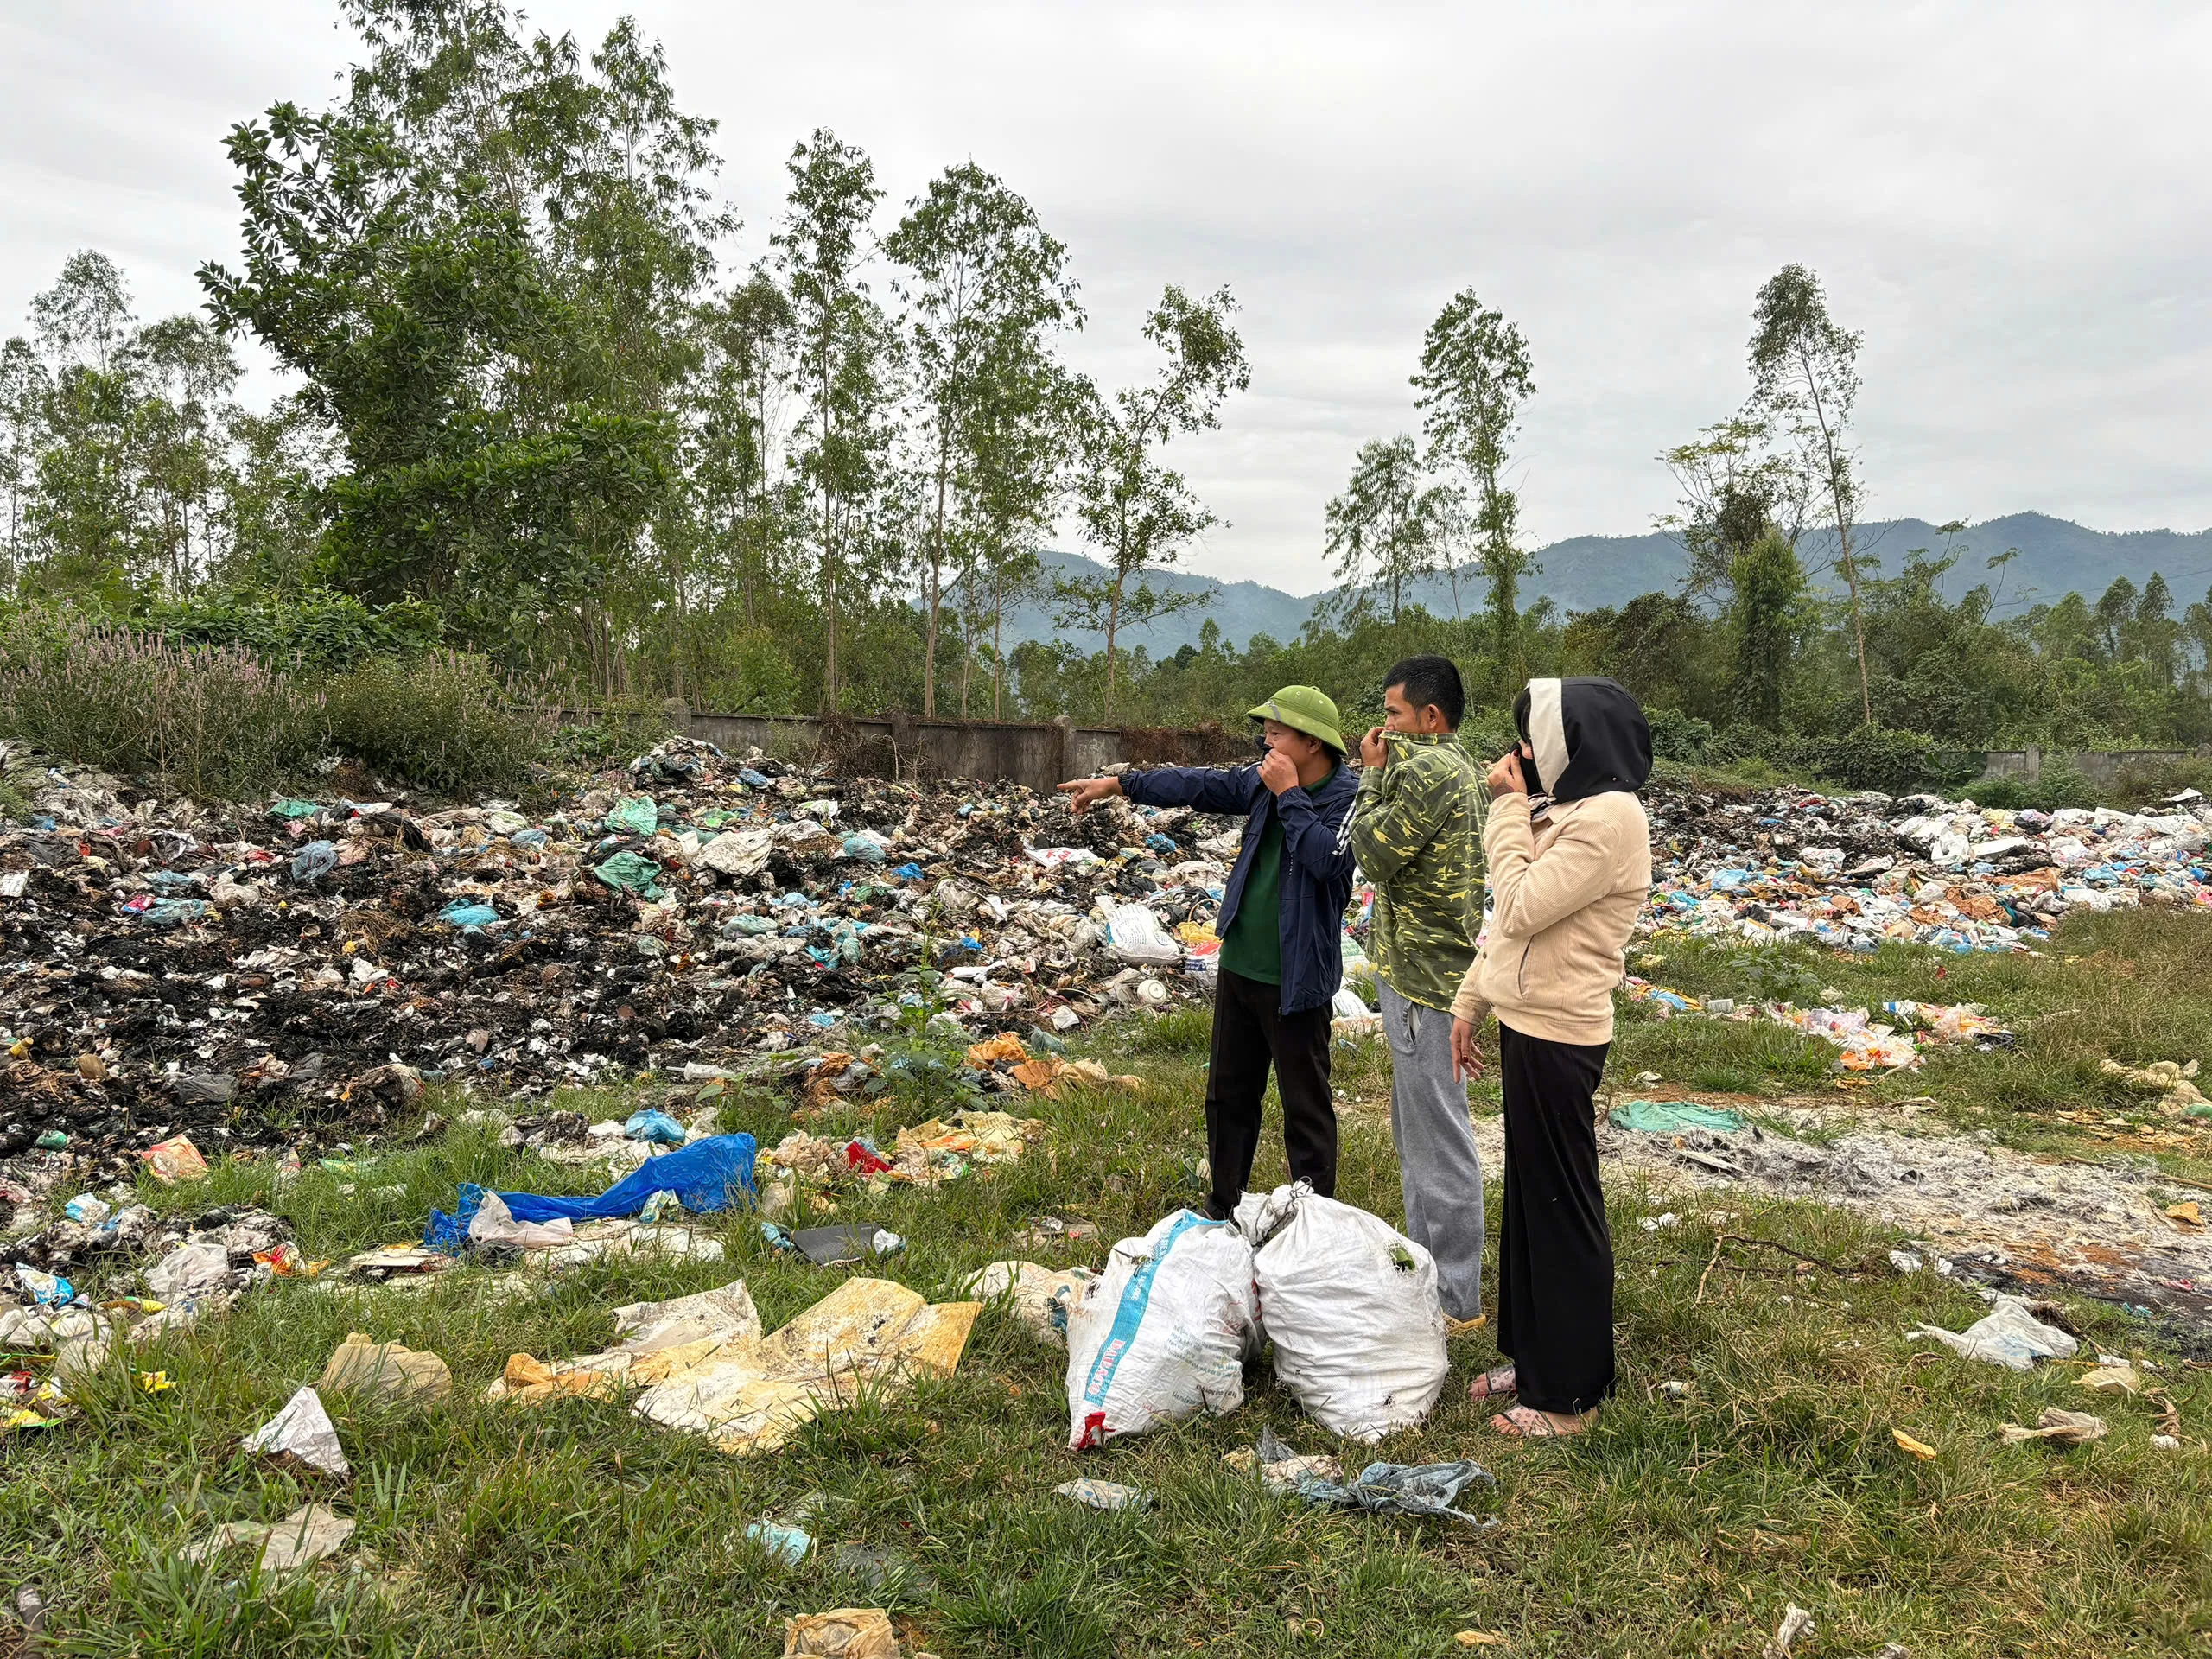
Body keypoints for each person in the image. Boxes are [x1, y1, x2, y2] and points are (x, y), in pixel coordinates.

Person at [1058, 686, 1357, 1219]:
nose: (1266, 744)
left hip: (1297, 977)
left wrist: (1290, 795)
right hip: (1240, 965)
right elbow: (1197, 784)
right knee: (1228, 1096)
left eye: (1277, 734)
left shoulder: (1347, 798)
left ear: (1312, 743)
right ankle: (1222, 1207)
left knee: (1305, 1106)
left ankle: (1316, 1223)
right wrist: (1119, 784)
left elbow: (1328, 862)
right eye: (1265, 733)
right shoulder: (1261, 781)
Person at [1449, 677, 1652, 1439]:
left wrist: (1506, 810)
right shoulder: (1567, 810)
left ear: (1574, 745)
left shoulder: (1611, 817)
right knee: (1531, 1202)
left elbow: (1520, 903)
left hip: (1563, 1034)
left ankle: (1570, 1397)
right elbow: (1513, 933)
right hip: (1527, 1023)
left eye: (1533, 742)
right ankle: (1534, 1360)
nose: (1520, 756)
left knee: (1563, 1207)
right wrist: (1472, 1001)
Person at [1350, 655, 1491, 1328]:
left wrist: (1370, 776)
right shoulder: (1458, 767)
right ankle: (1428, 1278)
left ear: (1431, 717)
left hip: (1426, 983)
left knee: (1437, 1141)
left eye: (1394, 714)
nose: (1383, 728)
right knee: (1420, 1137)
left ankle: (1455, 1299)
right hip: (1429, 973)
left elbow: (1371, 852)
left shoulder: (1427, 771)